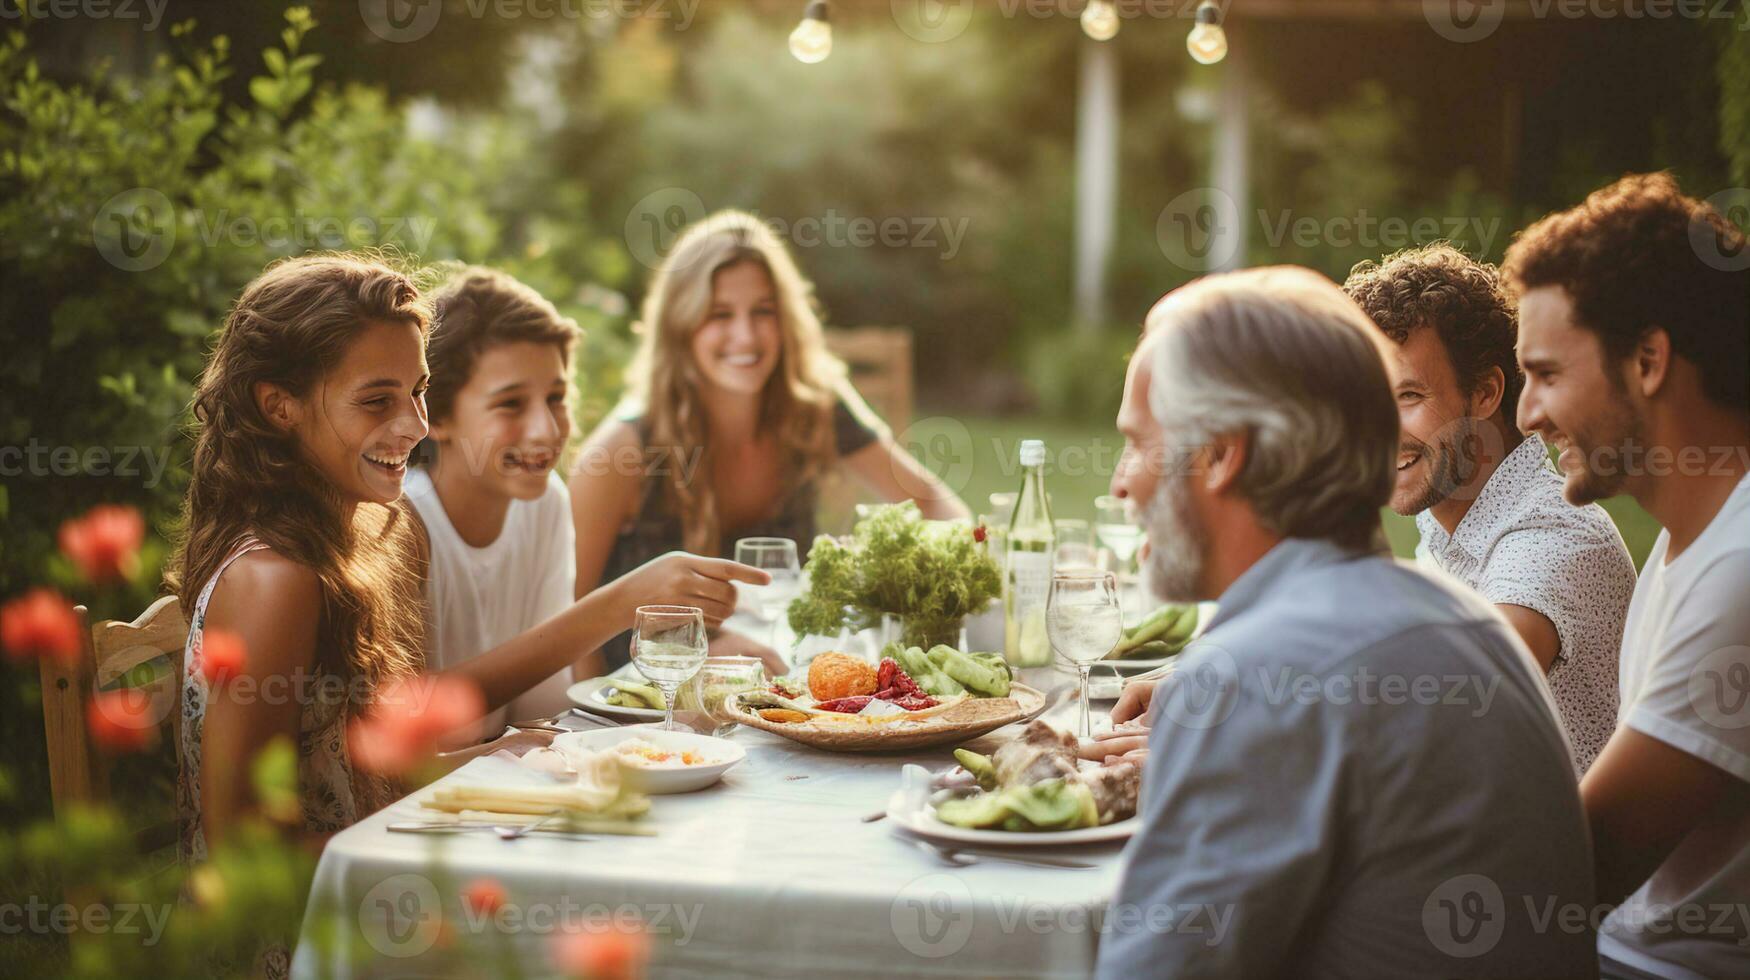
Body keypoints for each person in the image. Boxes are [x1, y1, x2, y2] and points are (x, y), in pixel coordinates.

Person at [169, 253, 767, 865]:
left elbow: (350, 780)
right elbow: (241, 856)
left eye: (418, 391)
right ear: (279, 406)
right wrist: (457, 836)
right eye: (377, 401)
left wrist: (492, 757)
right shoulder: (277, 579)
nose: (415, 425)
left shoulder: (344, 548)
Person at [1093, 267, 1595, 979]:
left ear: (1222, 454)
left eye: (1138, 443)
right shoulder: (1464, 621)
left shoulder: (1252, 676)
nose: (1120, 483)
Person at [1503, 172, 1750, 978]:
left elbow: (1579, 867)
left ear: (1648, 360)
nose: (1526, 414)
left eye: (1546, 373)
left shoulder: (1737, 573)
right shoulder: (1694, 539)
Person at [569, 210, 969, 670]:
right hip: (644, 710)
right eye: (720, 314)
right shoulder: (625, 450)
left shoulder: (812, 409)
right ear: (681, 327)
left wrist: (948, 586)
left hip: (782, 691)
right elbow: (568, 623)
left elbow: (931, 500)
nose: (747, 335)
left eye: (764, 311)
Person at [1344, 243, 1634, 772]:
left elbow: (1444, 701)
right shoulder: (1453, 522)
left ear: (1484, 393)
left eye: (1408, 396)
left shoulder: (1554, 538)